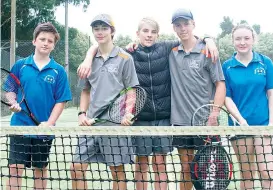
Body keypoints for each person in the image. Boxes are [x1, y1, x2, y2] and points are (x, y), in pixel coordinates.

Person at [77, 15, 219, 189]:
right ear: (137, 33)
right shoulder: (129, 53)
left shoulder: (167, 47)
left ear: (158, 35)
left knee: (160, 163)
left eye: (153, 32)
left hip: (164, 118)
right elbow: (101, 46)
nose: (149, 35)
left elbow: (188, 37)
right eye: (145, 31)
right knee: (142, 164)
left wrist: (209, 39)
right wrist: (88, 55)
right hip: (140, 118)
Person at [70, 14, 139, 190]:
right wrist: (81, 114)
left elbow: (131, 90)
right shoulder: (89, 61)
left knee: (117, 172)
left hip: (115, 126)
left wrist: (128, 113)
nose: (100, 32)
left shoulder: (125, 58)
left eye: (104, 28)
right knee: (76, 168)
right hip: (91, 125)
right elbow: (86, 90)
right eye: (96, 29)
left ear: (112, 31)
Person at [6, 22, 72, 190]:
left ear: (54, 45)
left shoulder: (58, 71)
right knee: (14, 169)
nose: (45, 43)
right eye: (42, 39)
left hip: (44, 130)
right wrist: (13, 102)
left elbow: (61, 100)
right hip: (19, 127)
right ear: (34, 41)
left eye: (50, 41)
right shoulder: (21, 66)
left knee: (40, 169)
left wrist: (49, 124)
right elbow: (10, 89)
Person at [169, 9, 226, 190]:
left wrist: (214, 114)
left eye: (186, 23)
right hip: (180, 123)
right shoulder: (170, 51)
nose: (183, 28)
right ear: (174, 28)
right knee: (186, 169)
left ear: (193, 24)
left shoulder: (208, 51)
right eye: (178, 25)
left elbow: (220, 85)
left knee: (207, 172)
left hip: (205, 123)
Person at [222, 23, 273, 190]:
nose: (242, 42)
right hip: (239, 127)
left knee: (267, 172)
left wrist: (271, 123)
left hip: (263, 125)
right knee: (247, 174)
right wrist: (241, 120)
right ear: (233, 41)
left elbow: (271, 94)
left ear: (253, 40)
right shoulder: (227, 66)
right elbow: (227, 98)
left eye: (246, 38)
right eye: (238, 38)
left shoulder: (265, 63)